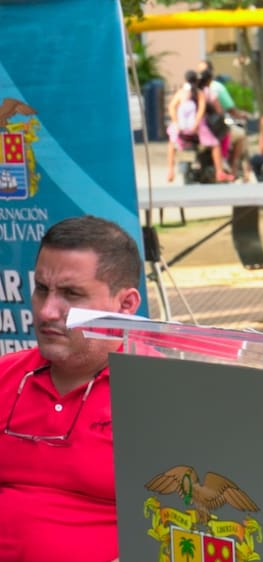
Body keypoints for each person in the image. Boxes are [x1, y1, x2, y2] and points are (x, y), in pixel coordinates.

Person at [0, 215, 143, 562]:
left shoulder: (157, 396)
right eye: (41, 289)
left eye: (71, 294)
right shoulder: (6, 376)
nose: (47, 311)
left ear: (125, 306)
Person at [197, 60, 248, 181]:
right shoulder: (214, 89)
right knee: (239, 135)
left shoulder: (190, 90)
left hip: (195, 129)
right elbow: (227, 110)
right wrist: (240, 115)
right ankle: (232, 166)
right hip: (211, 128)